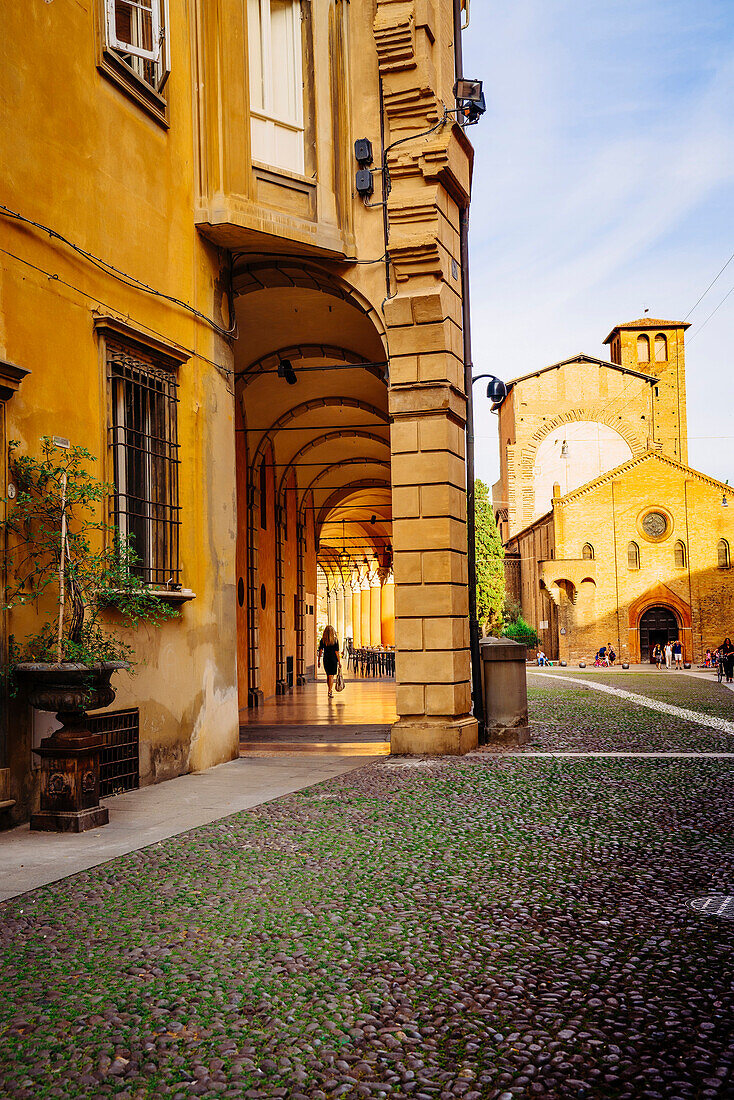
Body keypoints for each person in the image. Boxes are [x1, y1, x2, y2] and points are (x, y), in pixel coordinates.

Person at [318, 624, 342, 698]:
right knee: (331, 676)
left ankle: (329, 689)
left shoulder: (323, 640)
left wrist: (318, 660)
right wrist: (339, 661)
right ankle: (330, 691)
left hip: (326, 658)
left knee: (328, 675)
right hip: (333, 659)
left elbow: (320, 651)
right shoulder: (335, 640)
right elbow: (336, 652)